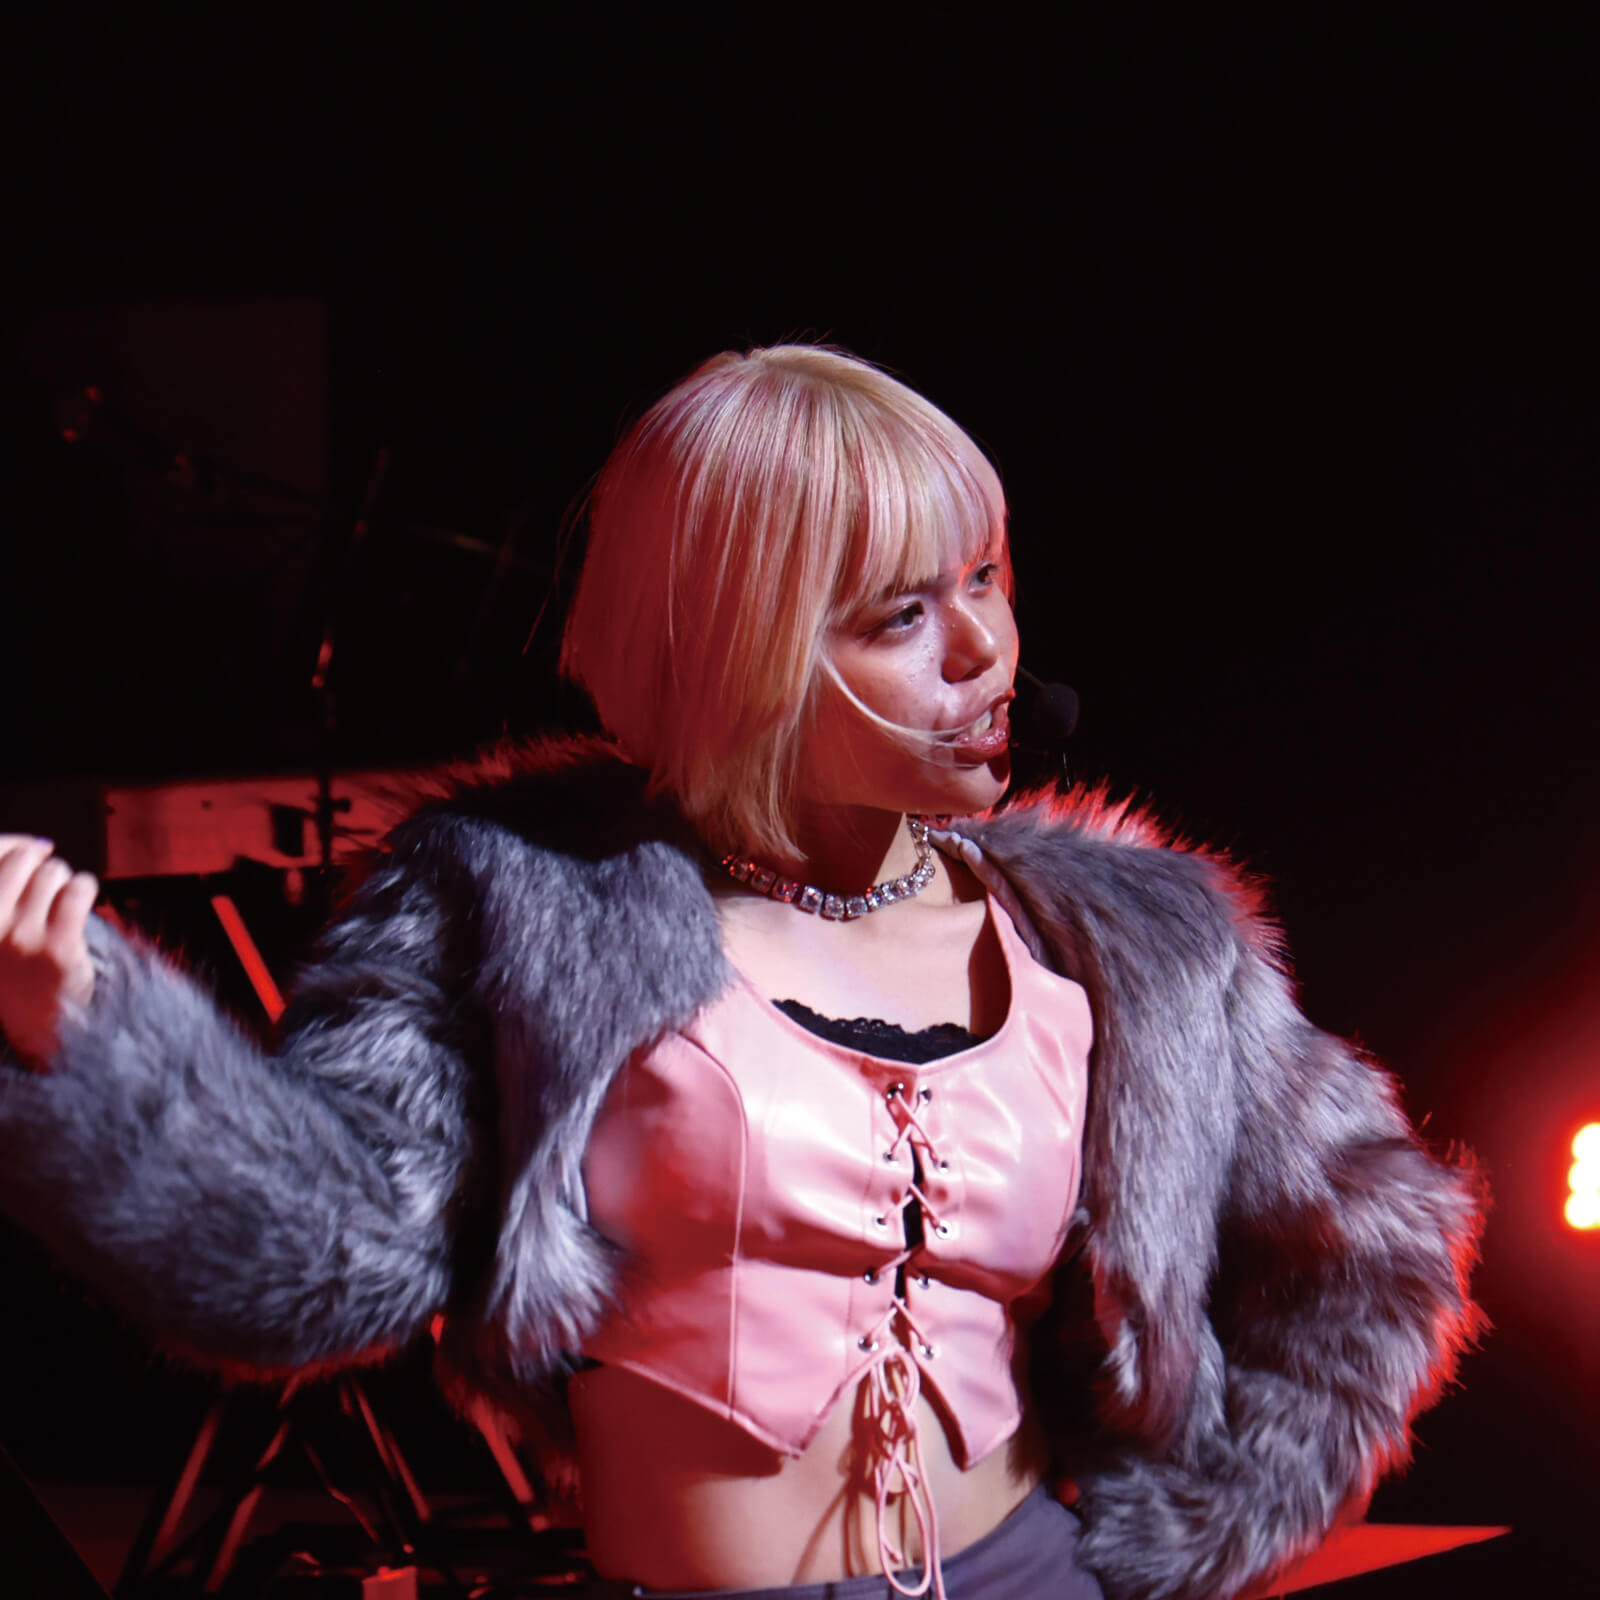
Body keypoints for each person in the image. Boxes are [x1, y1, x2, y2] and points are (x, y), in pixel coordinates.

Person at [0, 344, 1482, 1600]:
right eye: (902, 615)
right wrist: (93, 1037)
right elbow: (329, 1254)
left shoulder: (1132, 945)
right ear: (745, 653)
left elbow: (1374, 1242)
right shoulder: (519, 910)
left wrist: (1196, 1536)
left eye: (986, 576)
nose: (985, 648)